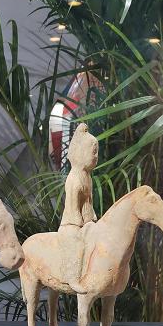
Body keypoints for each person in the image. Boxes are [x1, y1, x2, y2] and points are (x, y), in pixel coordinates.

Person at [58, 123, 99, 293]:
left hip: (86, 220)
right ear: (80, 152)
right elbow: (73, 207)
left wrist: (92, 218)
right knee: (76, 244)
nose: (96, 156)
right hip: (72, 223)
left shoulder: (87, 177)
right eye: (93, 152)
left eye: (97, 152)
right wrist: (80, 222)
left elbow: (89, 202)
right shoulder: (74, 178)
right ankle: (73, 278)